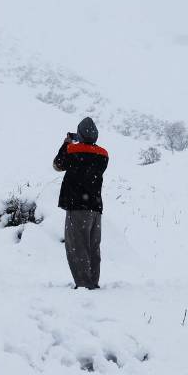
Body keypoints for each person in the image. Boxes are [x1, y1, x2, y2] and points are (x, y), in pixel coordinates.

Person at [53, 117, 109, 289]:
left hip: (77, 207)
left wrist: (66, 144)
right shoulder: (103, 155)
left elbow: (57, 165)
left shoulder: (72, 150)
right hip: (95, 207)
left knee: (77, 246)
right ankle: (93, 281)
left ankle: (84, 285)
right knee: (93, 247)